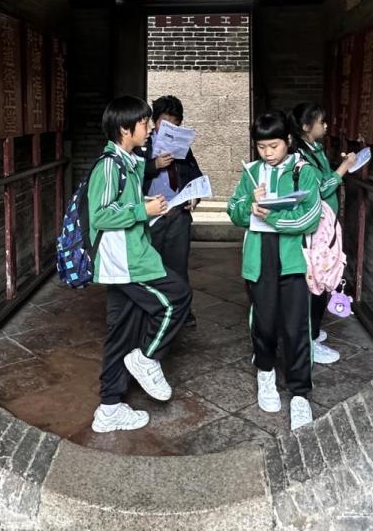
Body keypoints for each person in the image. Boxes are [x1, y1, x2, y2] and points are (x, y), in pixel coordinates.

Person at [88, 95, 193, 434]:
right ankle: (147, 357)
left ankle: (109, 408)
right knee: (177, 297)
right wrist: (141, 210)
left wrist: (145, 203)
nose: (150, 129)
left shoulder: (128, 161)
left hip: (129, 256)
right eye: (145, 123)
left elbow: (122, 203)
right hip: (127, 260)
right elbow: (100, 215)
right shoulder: (109, 165)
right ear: (124, 128)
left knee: (121, 332)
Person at [226, 111, 324, 430]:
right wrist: (248, 205)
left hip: (293, 258)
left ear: (288, 141)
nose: (267, 153)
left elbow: (309, 217)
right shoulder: (251, 172)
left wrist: (273, 217)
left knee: (296, 327)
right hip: (260, 255)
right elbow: (233, 211)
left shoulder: (303, 172)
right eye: (261, 147)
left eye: (274, 146)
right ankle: (265, 372)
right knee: (264, 323)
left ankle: (300, 393)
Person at [290, 102, 358, 365]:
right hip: (314, 228)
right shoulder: (301, 155)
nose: (326, 126)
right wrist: (345, 167)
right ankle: (309, 340)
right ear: (306, 126)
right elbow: (321, 188)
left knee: (321, 279)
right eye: (321, 122)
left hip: (324, 226)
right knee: (316, 283)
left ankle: (313, 332)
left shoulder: (315, 148)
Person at [138, 94, 203, 327]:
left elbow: (195, 176)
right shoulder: (142, 145)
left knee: (178, 265)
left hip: (177, 215)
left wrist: (194, 197)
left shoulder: (183, 148)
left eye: (175, 124)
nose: (170, 128)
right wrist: (154, 165)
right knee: (150, 264)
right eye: (164, 123)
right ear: (154, 122)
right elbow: (132, 176)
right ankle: (153, 310)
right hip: (151, 215)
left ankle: (182, 311)